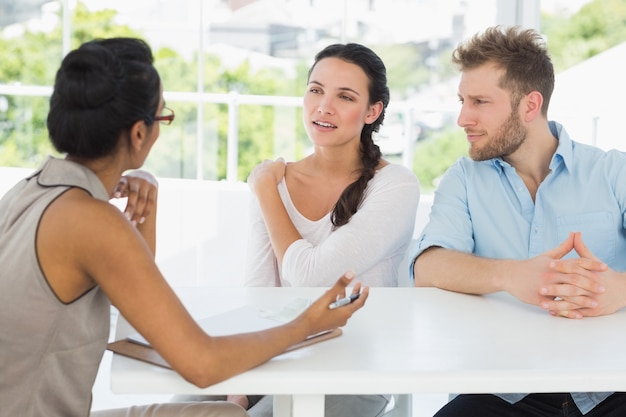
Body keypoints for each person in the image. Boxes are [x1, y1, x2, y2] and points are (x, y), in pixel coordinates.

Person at [0, 37, 369, 417]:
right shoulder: (93, 220)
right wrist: (307, 324)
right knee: (225, 415)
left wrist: (145, 199)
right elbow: (203, 365)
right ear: (139, 133)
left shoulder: (28, 192)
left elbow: (132, 303)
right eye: (163, 116)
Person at [409, 25, 626, 417]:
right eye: (462, 100)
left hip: (609, 389)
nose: (462, 117)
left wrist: (620, 289)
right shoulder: (464, 178)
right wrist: (511, 276)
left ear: (529, 105)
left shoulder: (612, 172)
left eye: (479, 101)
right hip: (501, 393)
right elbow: (427, 266)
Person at [243, 43, 420, 416]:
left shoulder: (396, 185)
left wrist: (263, 191)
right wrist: (240, 389)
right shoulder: (277, 180)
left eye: (345, 96)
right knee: (187, 406)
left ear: (373, 111)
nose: (324, 106)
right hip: (279, 355)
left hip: (356, 364)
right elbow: (259, 297)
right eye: (316, 90)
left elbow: (312, 276)